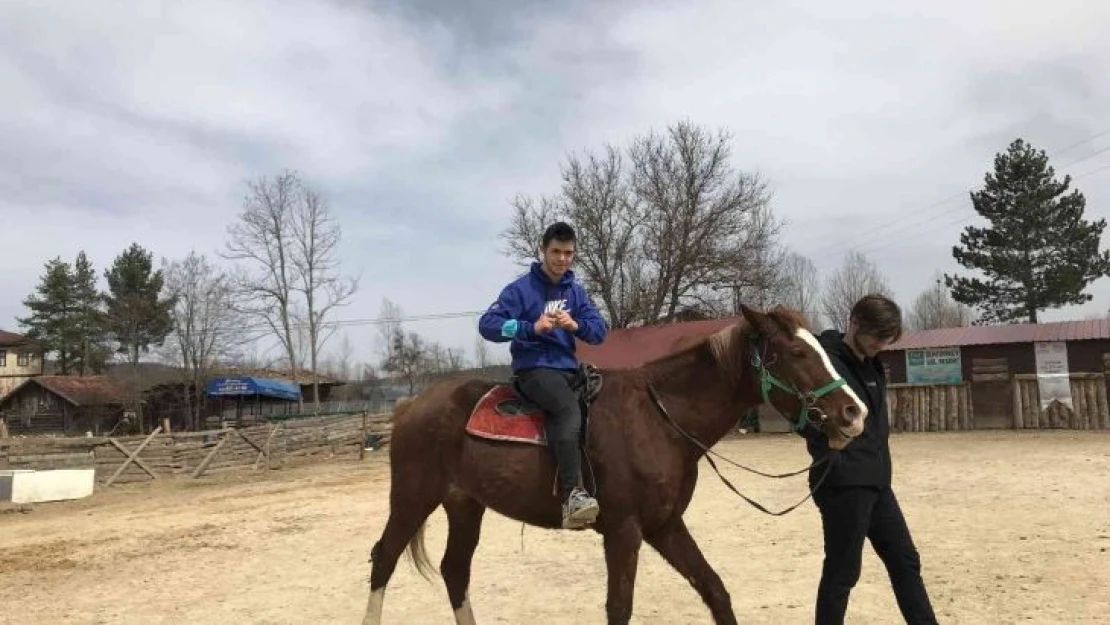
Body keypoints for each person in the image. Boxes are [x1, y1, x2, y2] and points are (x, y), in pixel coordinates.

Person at [798, 294, 939, 625]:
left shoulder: (870, 363)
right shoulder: (824, 360)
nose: (880, 346)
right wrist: (822, 438)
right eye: (876, 337)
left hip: (877, 481)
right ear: (855, 323)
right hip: (842, 481)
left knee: (906, 561)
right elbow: (801, 413)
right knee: (843, 572)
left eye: (886, 340)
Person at [478, 221, 609, 529]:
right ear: (542, 250)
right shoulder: (520, 290)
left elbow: (600, 332)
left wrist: (575, 325)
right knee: (566, 408)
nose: (562, 259)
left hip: (569, 368)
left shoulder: (576, 294)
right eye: (556, 252)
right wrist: (528, 327)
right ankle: (571, 495)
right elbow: (488, 324)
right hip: (535, 368)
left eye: (568, 253)